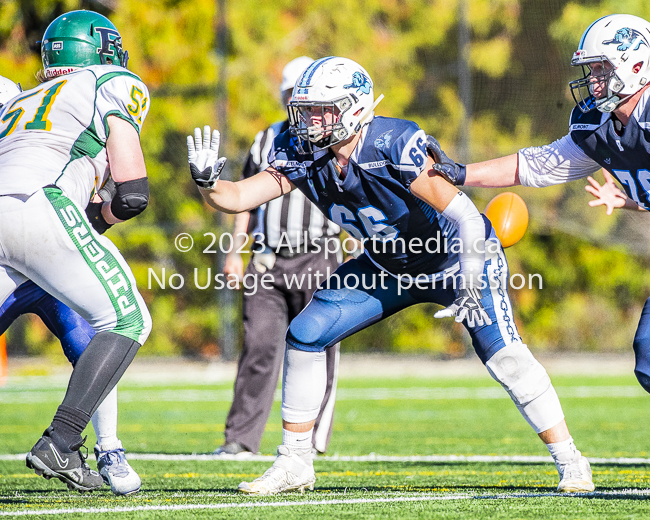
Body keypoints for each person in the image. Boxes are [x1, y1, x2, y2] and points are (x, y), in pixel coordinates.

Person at [187, 56, 594, 495]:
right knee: (306, 333)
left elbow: (468, 218)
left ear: (355, 108)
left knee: (504, 355)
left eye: (321, 110)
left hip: (454, 258)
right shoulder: (300, 150)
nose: (309, 120)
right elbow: (240, 197)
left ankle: (571, 459)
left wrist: (472, 277)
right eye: (305, 110)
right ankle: (295, 462)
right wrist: (209, 182)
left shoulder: (393, 143)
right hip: (387, 264)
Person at [428, 13, 650, 406]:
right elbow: (536, 165)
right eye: (591, 69)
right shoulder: (597, 125)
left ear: (637, 65)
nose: (594, 79)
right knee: (649, 357)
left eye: (603, 68)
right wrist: (460, 173)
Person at [0, 10, 152, 493]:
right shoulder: (109, 81)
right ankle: (62, 441)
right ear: (103, 51)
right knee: (129, 320)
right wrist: (99, 219)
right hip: (41, 204)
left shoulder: (20, 100)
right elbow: (133, 193)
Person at [217, 57, 342, 457]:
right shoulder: (265, 139)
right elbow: (246, 202)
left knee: (319, 345)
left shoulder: (337, 140)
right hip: (267, 260)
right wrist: (237, 252)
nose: (301, 104)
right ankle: (240, 438)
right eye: (293, 95)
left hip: (318, 256)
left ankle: (312, 437)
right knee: (258, 346)